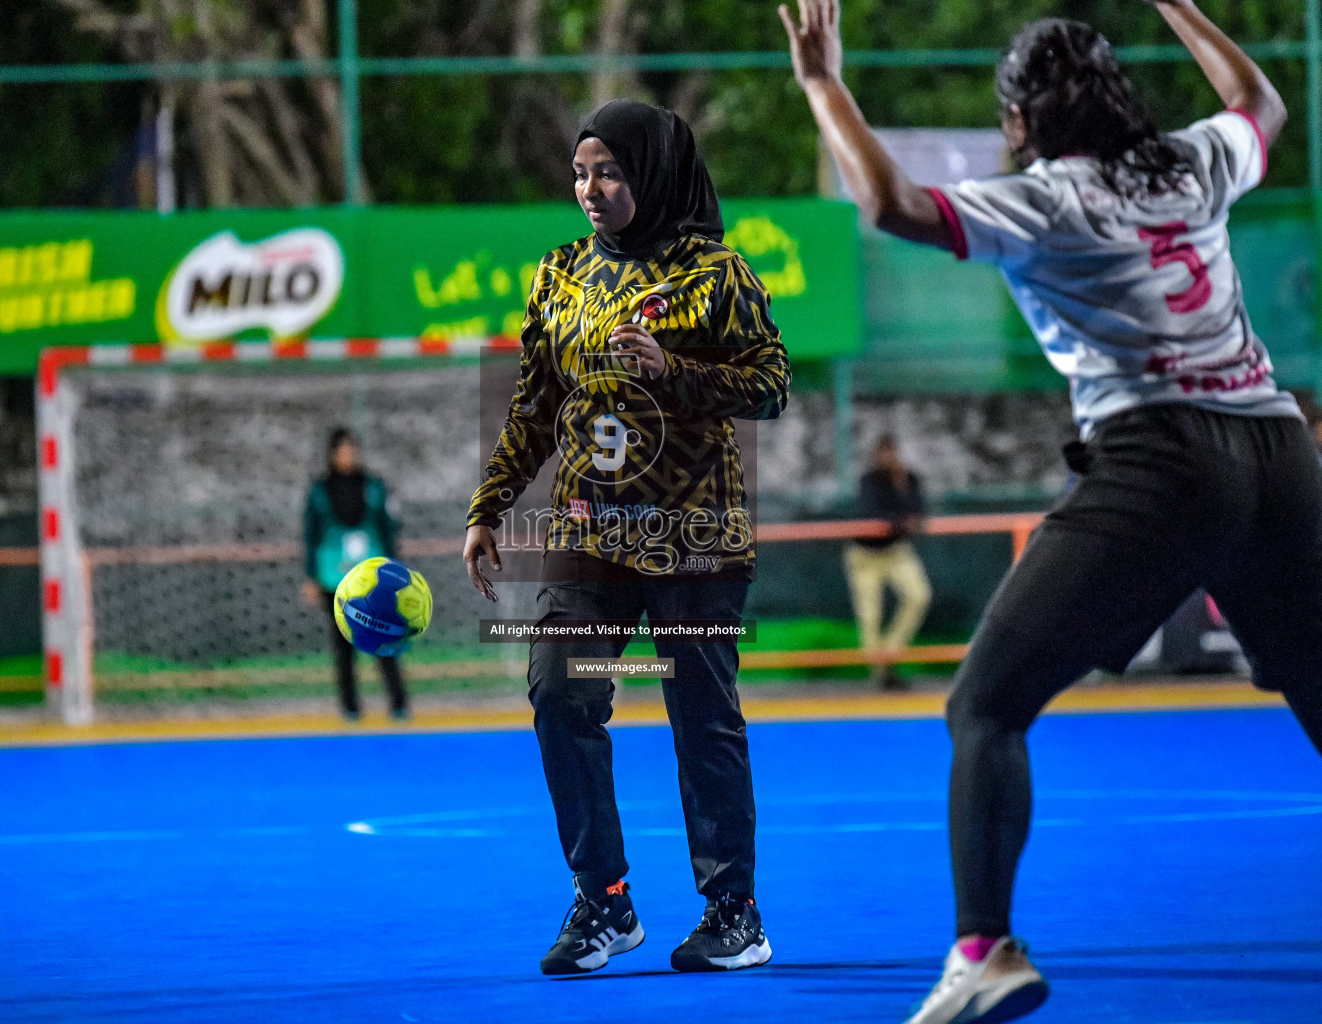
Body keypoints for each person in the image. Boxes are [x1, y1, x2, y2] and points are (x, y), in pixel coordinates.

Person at [781, 2, 1322, 1022]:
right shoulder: (1192, 165)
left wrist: (820, 81)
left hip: (1162, 461)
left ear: (1018, 119)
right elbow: (1262, 103)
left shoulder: (1043, 201)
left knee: (986, 704)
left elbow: (886, 204)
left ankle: (984, 950)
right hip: (1279, 454)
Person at [462, 99, 790, 976]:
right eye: (580, 172)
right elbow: (536, 404)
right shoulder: (560, 274)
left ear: (650, 173)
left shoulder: (717, 273)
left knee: (700, 716)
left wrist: (672, 370)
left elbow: (770, 384)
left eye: (608, 171)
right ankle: (603, 901)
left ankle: (734, 911)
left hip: (696, 533)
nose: (590, 189)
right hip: (585, 529)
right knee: (558, 692)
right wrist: (488, 506)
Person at [303, 427, 409, 721]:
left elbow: (389, 529)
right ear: (332, 455)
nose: (348, 456)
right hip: (333, 578)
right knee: (343, 644)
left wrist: (394, 569)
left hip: (372, 577)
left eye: (352, 450)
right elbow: (310, 534)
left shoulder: (374, 486)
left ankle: (398, 702)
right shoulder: (320, 490)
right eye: (342, 451)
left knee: (383, 636)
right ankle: (350, 707)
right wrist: (311, 575)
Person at [846, 434, 932, 688]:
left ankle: (890, 656)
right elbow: (873, 512)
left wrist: (901, 486)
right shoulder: (869, 480)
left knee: (919, 596)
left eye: (890, 451)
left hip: (896, 551)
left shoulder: (909, 478)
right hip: (864, 555)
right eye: (882, 452)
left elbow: (919, 513)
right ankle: (882, 673)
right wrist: (901, 520)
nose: (886, 457)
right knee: (870, 616)